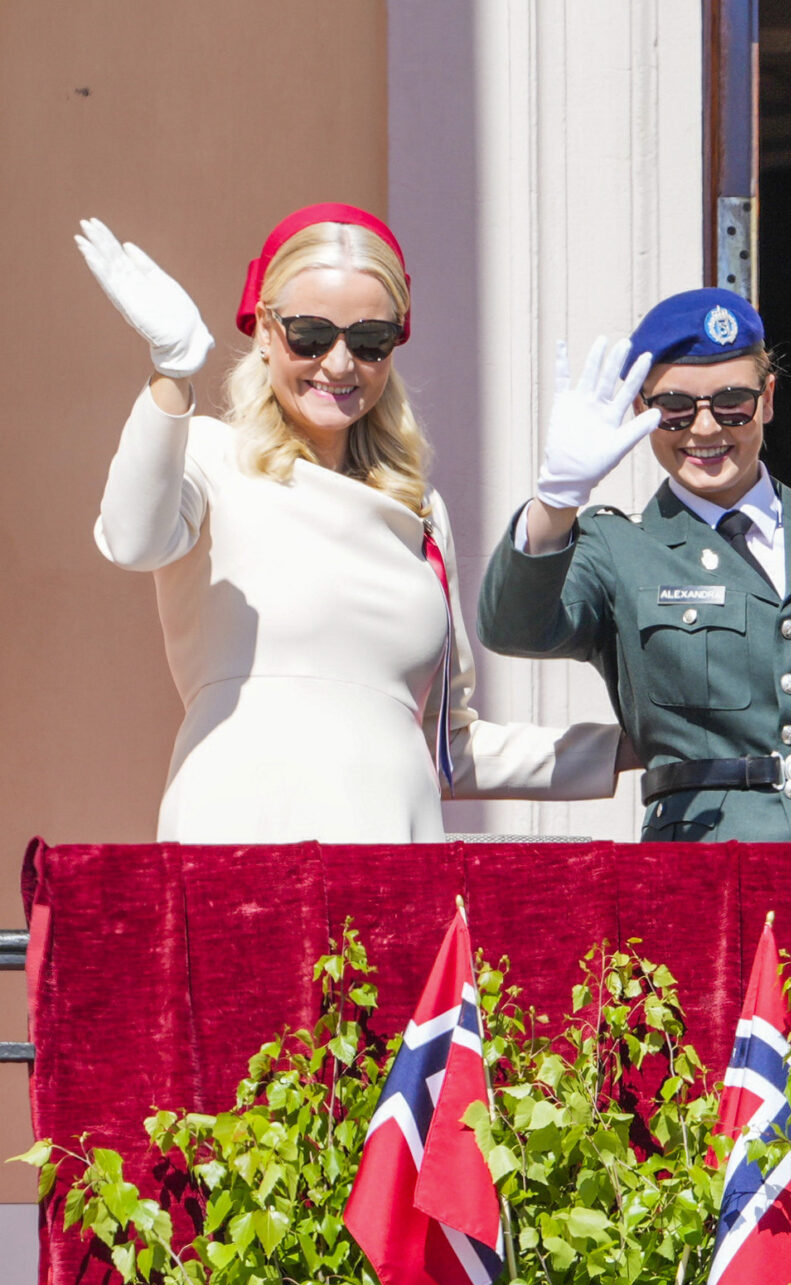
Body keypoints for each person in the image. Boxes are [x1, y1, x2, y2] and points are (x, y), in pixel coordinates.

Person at [78, 208, 626, 842]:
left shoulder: (422, 509)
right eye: (310, 335)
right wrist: (172, 374)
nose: (339, 365)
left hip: (392, 848)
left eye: (369, 341)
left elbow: (446, 746)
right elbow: (132, 538)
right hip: (238, 835)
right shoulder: (207, 455)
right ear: (263, 329)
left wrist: (644, 743)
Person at [478, 289, 791, 842]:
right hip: (706, 868)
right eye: (673, 409)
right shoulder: (615, 548)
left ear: (767, 399)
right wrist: (557, 500)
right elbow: (514, 629)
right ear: (640, 414)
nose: (704, 430)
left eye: (732, 404)